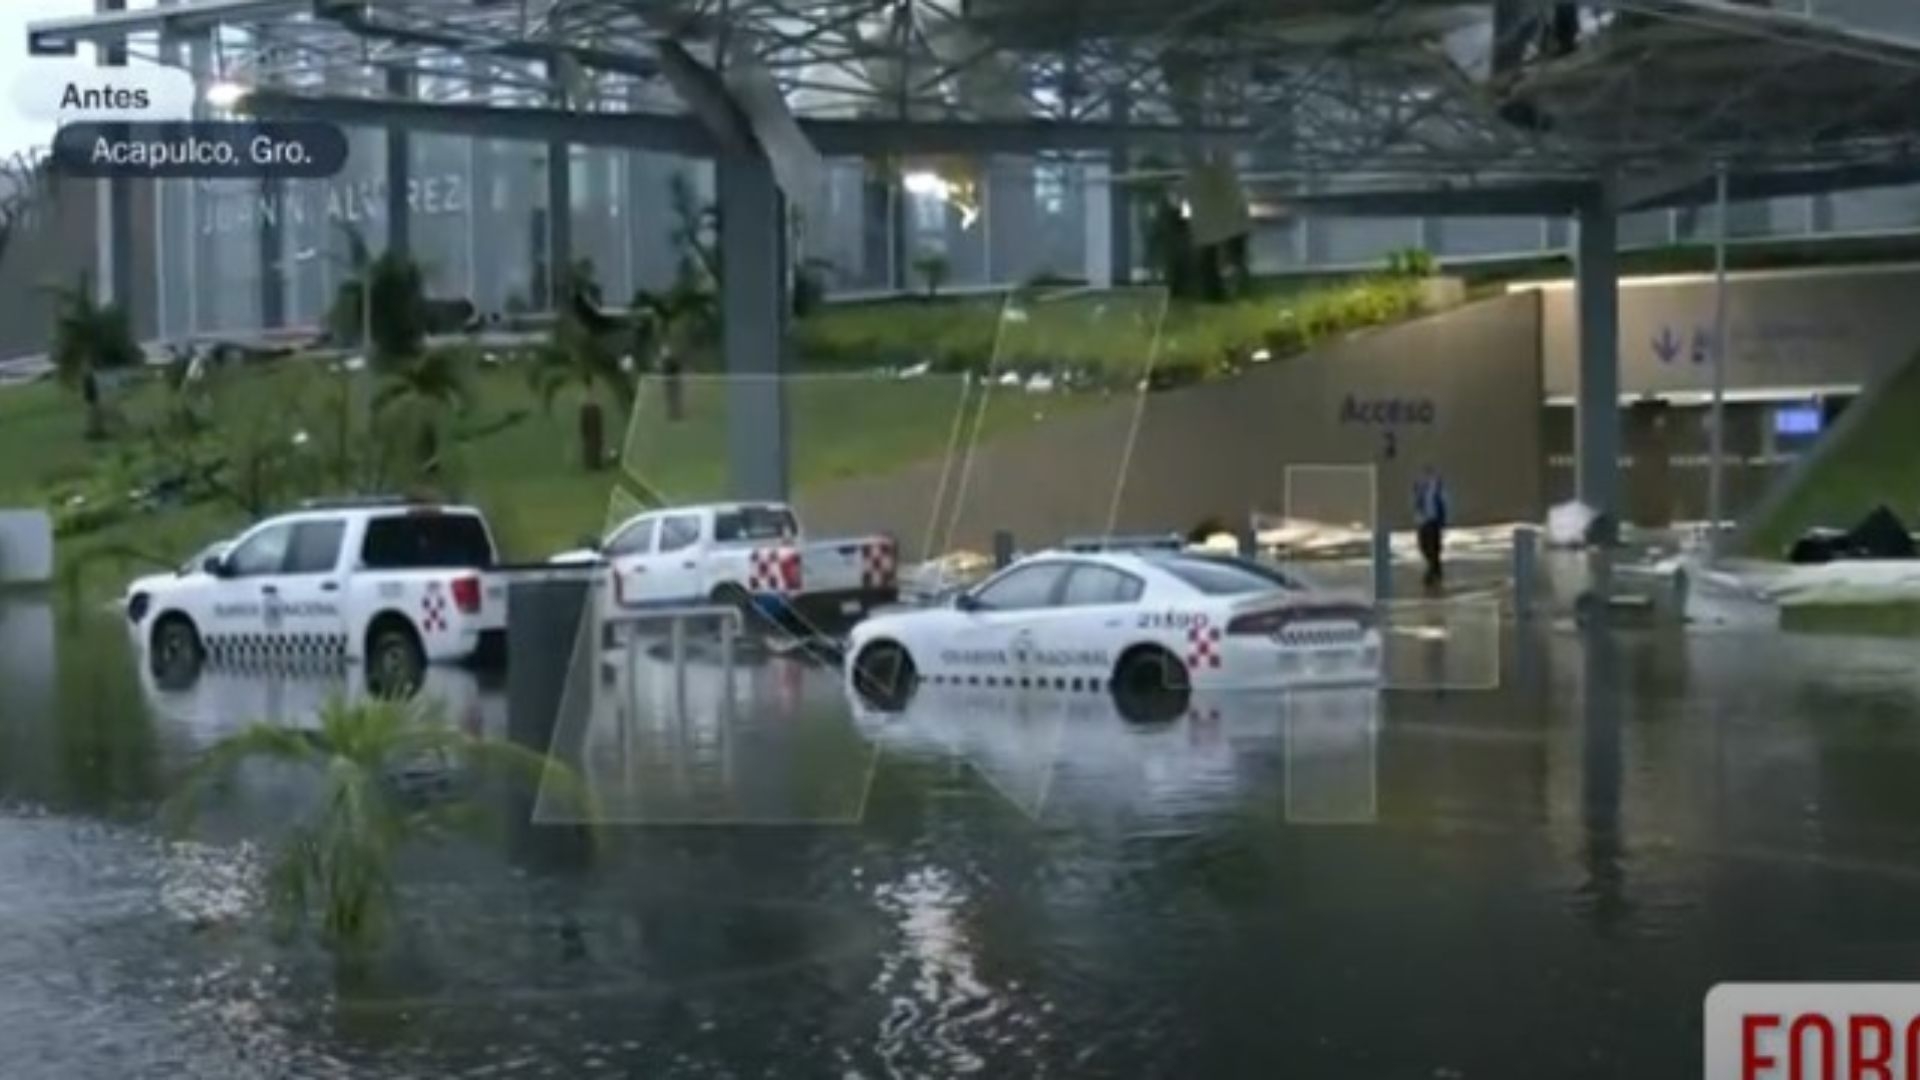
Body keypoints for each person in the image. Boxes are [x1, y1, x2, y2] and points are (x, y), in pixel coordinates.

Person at [1413, 464, 1450, 590]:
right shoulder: (1419, 488)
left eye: (1430, 475)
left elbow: (1444, 503)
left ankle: (1433, 575)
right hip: (1423, 522)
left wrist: (1443, 522)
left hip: (1433, 522)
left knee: (1434, 549)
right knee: (1423, 547)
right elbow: (1417, 503)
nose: (1427, 478)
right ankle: (1434, 573)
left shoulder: (1438, 488)